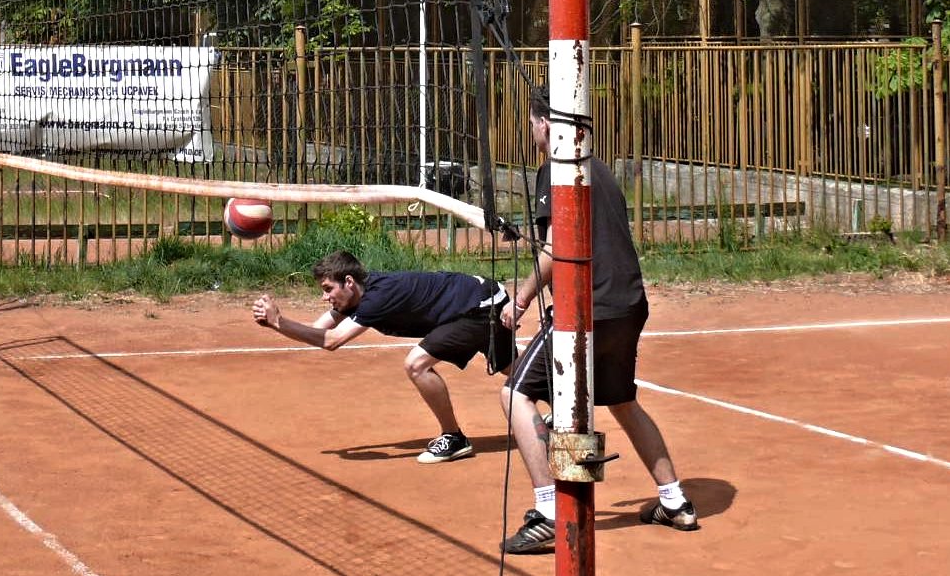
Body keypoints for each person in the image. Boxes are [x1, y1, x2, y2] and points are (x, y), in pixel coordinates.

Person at [497, 90, 698, 554]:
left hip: (587, 309)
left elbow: (554, 251)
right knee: (623, 401)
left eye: (531, 123)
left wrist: (520, 300)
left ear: (545, 124)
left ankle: (549, 511)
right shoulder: (598, 168)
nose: (531, 132)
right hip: (628, 305)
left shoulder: (557, 167)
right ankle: (675, 501)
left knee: (514, 394)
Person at [252, 249, 515, 463]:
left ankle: (454, 437)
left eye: (328, 289)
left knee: (416, 364)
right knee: (509, 367)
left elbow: (332, 341)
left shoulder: (376, 298)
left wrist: (279, 322)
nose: (325, 297)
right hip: (483, 298)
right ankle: (545, 401)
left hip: (481, 307)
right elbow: (318, 330)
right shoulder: (357, 296)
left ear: (349, 282)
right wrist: (277, 324)